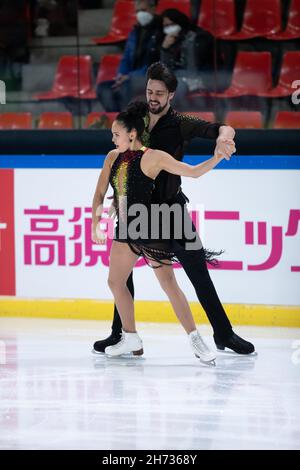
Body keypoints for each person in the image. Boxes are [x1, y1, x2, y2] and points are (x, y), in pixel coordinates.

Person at [93, 62, 255, 356]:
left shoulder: (182, 122)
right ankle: (121, 334)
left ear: (171, 95)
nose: (152, 97)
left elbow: (222, 127)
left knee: (196, 270)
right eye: (149, 91)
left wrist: (223, 139)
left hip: (172, 212)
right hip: (136, 213)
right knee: (122, 275)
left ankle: (224, 334)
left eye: (159, 93)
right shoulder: (137, 115)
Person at [96, 0, 162, 112]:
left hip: (150, 77)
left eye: (143, 10)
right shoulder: (135, 32)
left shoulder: (160, 30)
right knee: (103, 88)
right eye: (137, 11)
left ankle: (129, 121)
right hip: (130, 77)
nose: (140, 14)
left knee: (126, 87)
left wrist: (130, 76)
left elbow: (156, 63)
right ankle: (117, 120)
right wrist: (120, 76)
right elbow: (126, 58)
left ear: (153, 8)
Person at [159, 8, 222, 109]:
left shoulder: (199, 38)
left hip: (201, 78)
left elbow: (193, 69)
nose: (169, 28)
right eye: (166, 26)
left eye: (171, 24)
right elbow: (166, 68)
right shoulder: (172, 40)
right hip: (180, 77)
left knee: (175, 89)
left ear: (179, 22)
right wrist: (165, 49)